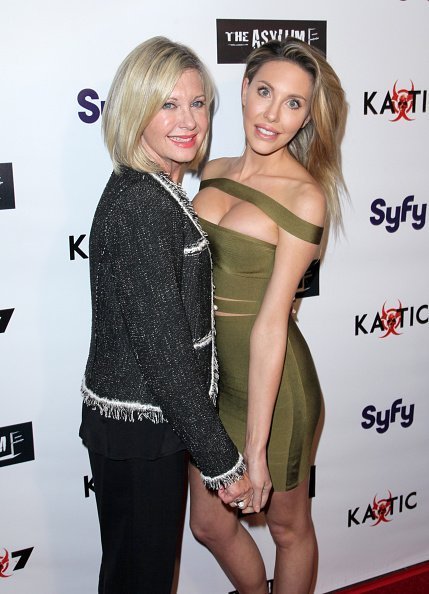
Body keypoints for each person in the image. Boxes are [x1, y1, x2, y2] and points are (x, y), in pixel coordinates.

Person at [79, 36, 253, 594]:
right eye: (168, 104)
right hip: (141, 428)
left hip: (145, 426)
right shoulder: (141, 205)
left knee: (139, 574)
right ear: (135, 110)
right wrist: (222, 462)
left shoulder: (154, 191)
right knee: (140, 579)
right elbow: (166, 353)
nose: (188, 121)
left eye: (197, 104)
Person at [190, 38, 347, 594]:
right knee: (208, 523)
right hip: (213, 382)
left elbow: (270, 323)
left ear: (308, 115)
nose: (273, 114)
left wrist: (255, 451)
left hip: (276, 388)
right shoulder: (210, 169)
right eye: (264, 92)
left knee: (287, 527)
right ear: (243, 89)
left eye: (294, 103)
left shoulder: (305, 197)